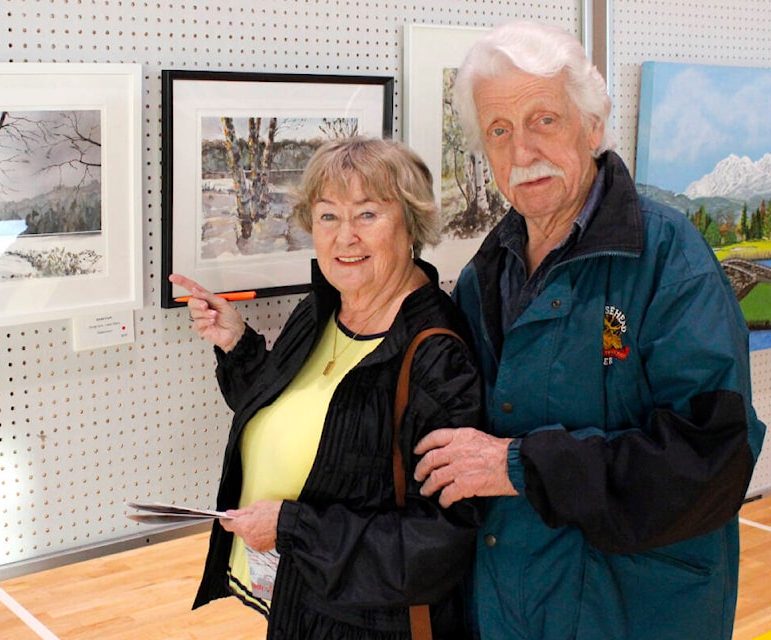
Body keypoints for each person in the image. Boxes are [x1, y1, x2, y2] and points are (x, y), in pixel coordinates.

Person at [411, 20, 767, 640]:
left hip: (633, 613)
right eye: (500, 130)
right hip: (510, 609)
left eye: (543, 120)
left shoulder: (668, 261)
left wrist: (520, 467)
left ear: (592, 126)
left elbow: (712, 465)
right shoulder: (482, 275)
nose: (522, 152)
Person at [170, 136, 483, 639]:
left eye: (367, 215)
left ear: (411, 223)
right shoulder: (323, 309)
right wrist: (237, 344)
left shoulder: (436, 355)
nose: (344, 238)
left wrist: (293, 530)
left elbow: (438, 543)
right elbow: (296, 421)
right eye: (328, 216)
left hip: (370, 626)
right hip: (300, 605)